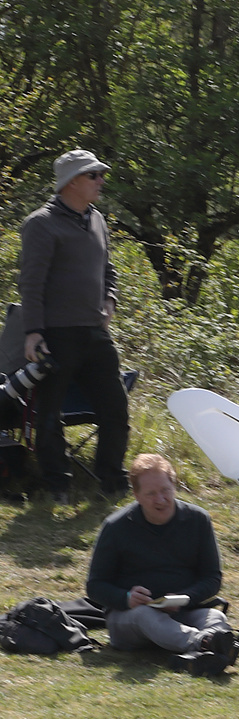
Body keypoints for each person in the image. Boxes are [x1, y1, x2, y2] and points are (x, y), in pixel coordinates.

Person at [18, 149, 130, 503]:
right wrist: (34, 333)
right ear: (72, 182)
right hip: (56, 336)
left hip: (96, 334)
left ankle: (111, 484)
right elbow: (31, 284)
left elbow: (108, 272)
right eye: (94, 175)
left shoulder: (97, 219)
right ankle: (58, 487)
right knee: (49, 415)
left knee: (116, 410)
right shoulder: (41, 223)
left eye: (100, 173)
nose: (101, 181)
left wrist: (110, 300)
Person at [85, 454, 239, 676]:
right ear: (137, 495)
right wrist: (127, 598)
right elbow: (95, 586)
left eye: (165, 490)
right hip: (130, 619)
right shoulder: (116, 527)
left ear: (174, 485)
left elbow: (212, 578)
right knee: (145, 616)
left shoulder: (197, 520)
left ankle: (194, 659)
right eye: (151, 494)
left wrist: (185, 597)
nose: (160, 499)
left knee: (216, 617)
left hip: (183, 613)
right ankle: (205, 643)